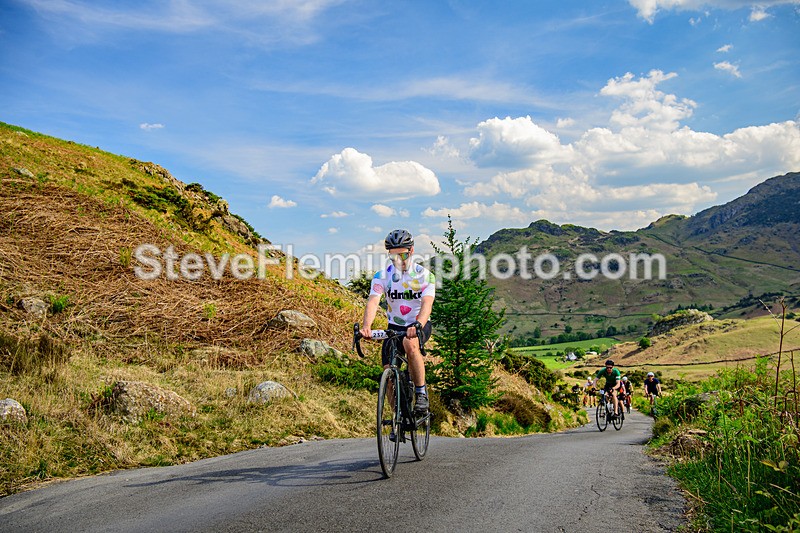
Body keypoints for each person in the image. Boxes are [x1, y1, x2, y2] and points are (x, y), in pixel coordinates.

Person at [361, 229, 435, 414]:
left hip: (419, 324)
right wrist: (366, 327)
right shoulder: (382, 276)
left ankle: (421, 393)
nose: (398, 260)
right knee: (387, 369)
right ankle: (398, 416)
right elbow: (373, 300)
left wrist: (417, 324)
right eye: (393, 256)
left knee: (410, 345)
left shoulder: (424, 275)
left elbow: (427, 304)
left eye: (401, 254)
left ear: (411, 251)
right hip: (394, 327)